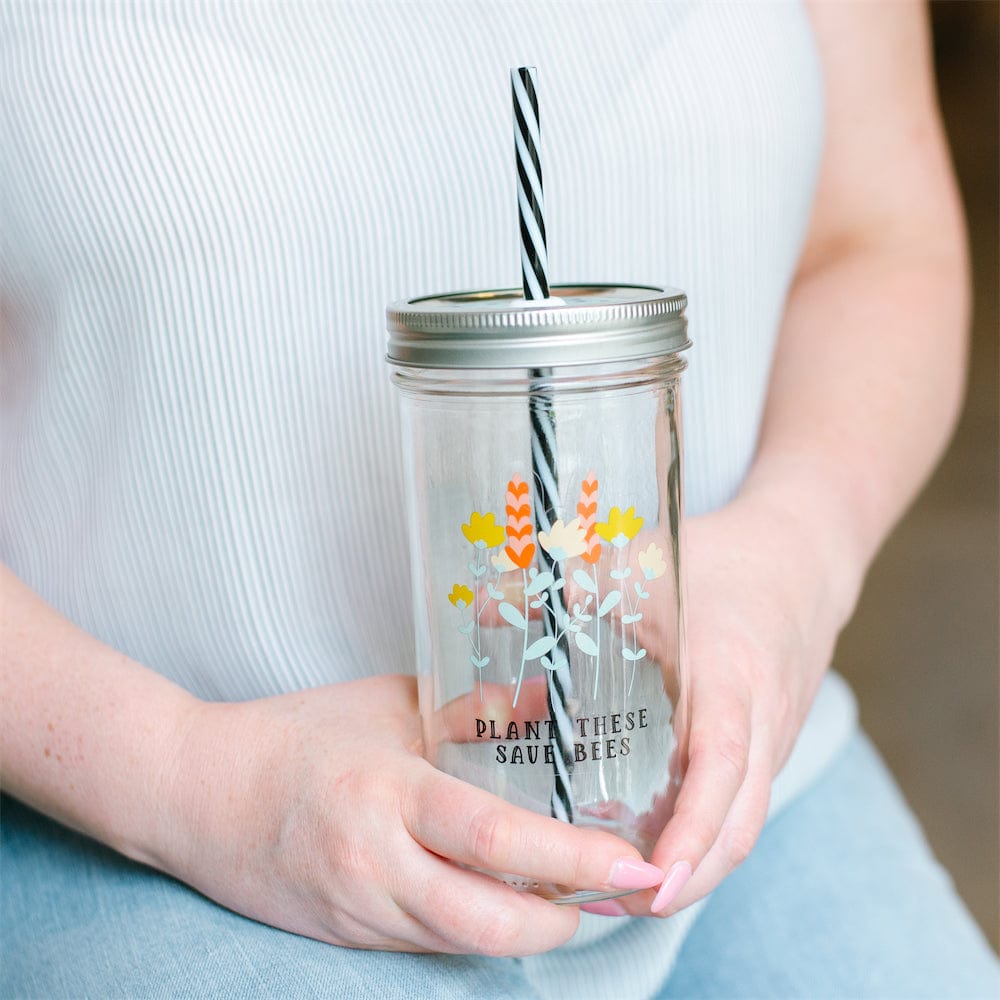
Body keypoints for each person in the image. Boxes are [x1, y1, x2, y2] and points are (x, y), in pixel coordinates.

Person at [1, 1, 997, 997]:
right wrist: (182, 770)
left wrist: (794, 551)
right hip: (146, 823)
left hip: (709, 771)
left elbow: (875, 239)